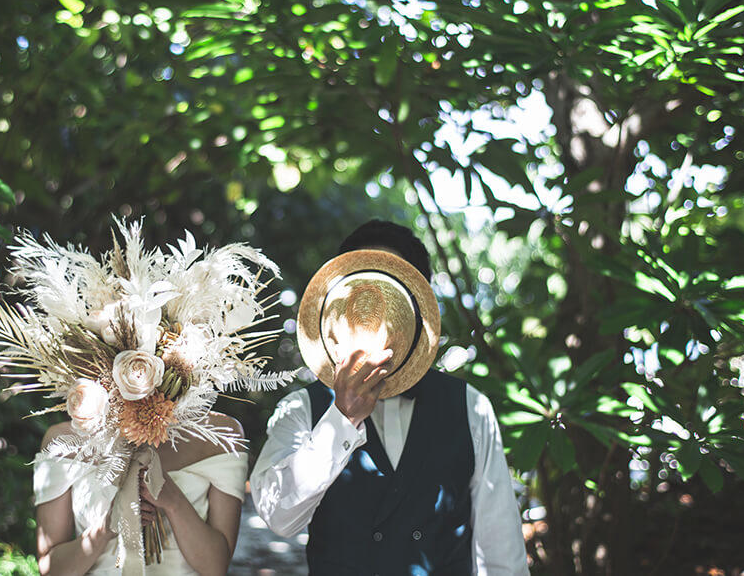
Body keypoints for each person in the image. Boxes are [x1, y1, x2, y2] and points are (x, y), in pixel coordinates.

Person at [250, 220, 529, 575]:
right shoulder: (301, 409)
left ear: (417, 305)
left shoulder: (471, 407)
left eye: (388, 295)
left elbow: (500, 550)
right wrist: (340, 419)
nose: (373, 316)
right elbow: (277, 516)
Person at [34, 412, 247, 576]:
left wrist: (174, 502)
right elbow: (51, 569)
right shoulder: (62, 440)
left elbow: (216, 567)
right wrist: (105, 527)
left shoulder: (221, 433)